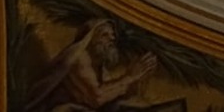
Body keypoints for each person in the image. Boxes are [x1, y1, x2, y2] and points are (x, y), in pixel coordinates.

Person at [21, 19, 159, 112]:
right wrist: (129, 77)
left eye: (113, 35)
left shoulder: (100, 68)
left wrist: (138, 78)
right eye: (104, 35)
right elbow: (96, 98)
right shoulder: (78, 58)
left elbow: (113, 97)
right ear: (90, 38)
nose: (112, 39)